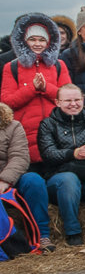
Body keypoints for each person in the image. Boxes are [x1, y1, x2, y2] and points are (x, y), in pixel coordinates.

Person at [37, 84, 85, 246]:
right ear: (57, 102)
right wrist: (73, 153)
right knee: (68, 179)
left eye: (77, 99)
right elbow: (48, 154)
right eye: (68, 100)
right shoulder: (47, 125)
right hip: (60, 178)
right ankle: (73, 232)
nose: (73, 104)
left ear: (83, 100)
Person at [2, 13, 72, 172]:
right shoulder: (11, 67)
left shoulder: (59, 65)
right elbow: (7, 102)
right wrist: (32, 89)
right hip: (24, 136)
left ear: (49, 42)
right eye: (32, 39)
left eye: (42, 40)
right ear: (24, 42)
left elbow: (68, 97)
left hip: (56, 133)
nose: (37, 44)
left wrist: (45, 88)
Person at [0, 101, 53, 251]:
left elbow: (20, 157)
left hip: (10, 178)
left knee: (34, 181)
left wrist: (4, 180)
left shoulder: (12, 126)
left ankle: (42, 235)